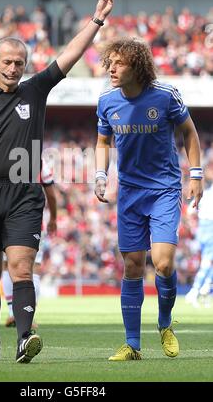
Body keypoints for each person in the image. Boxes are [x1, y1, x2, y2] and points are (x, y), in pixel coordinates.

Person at [0, 0, 114, 364]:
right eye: (8, 62)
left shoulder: (35, 90)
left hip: (24, 194)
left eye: (20, 62)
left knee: (21, 268)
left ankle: (24, 339)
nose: (14, 68)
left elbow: (69, 54)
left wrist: (97, 19)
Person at [94, 37, 203, 361]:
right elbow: (102, 142)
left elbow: (189, 133)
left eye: (119, 63)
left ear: (137, 67)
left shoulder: (165, 96)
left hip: (165, 190)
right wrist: (101, 176)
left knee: (164, 262)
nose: (112, 68)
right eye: (109, 62)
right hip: (129, 193)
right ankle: (132, 344)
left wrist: (196, 174)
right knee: (132, 265)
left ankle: (165, 323)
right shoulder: (106, 101)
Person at [2, 160, 57, 328]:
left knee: (7, 265)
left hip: (6, 220)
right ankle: (27, 314)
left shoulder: (3, 157)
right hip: (31, 222)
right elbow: (51, 194)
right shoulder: (38, 161)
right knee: (34, 268)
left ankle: (13, 312)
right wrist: (53, 218)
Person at [185, 162, 213, 307]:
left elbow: (190, 211)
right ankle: (195, 291)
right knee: (207, 262)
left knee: (209, 262)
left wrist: (194, 226)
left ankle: (205, 289)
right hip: (210, 228)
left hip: (202, 228)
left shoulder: (205, 194)